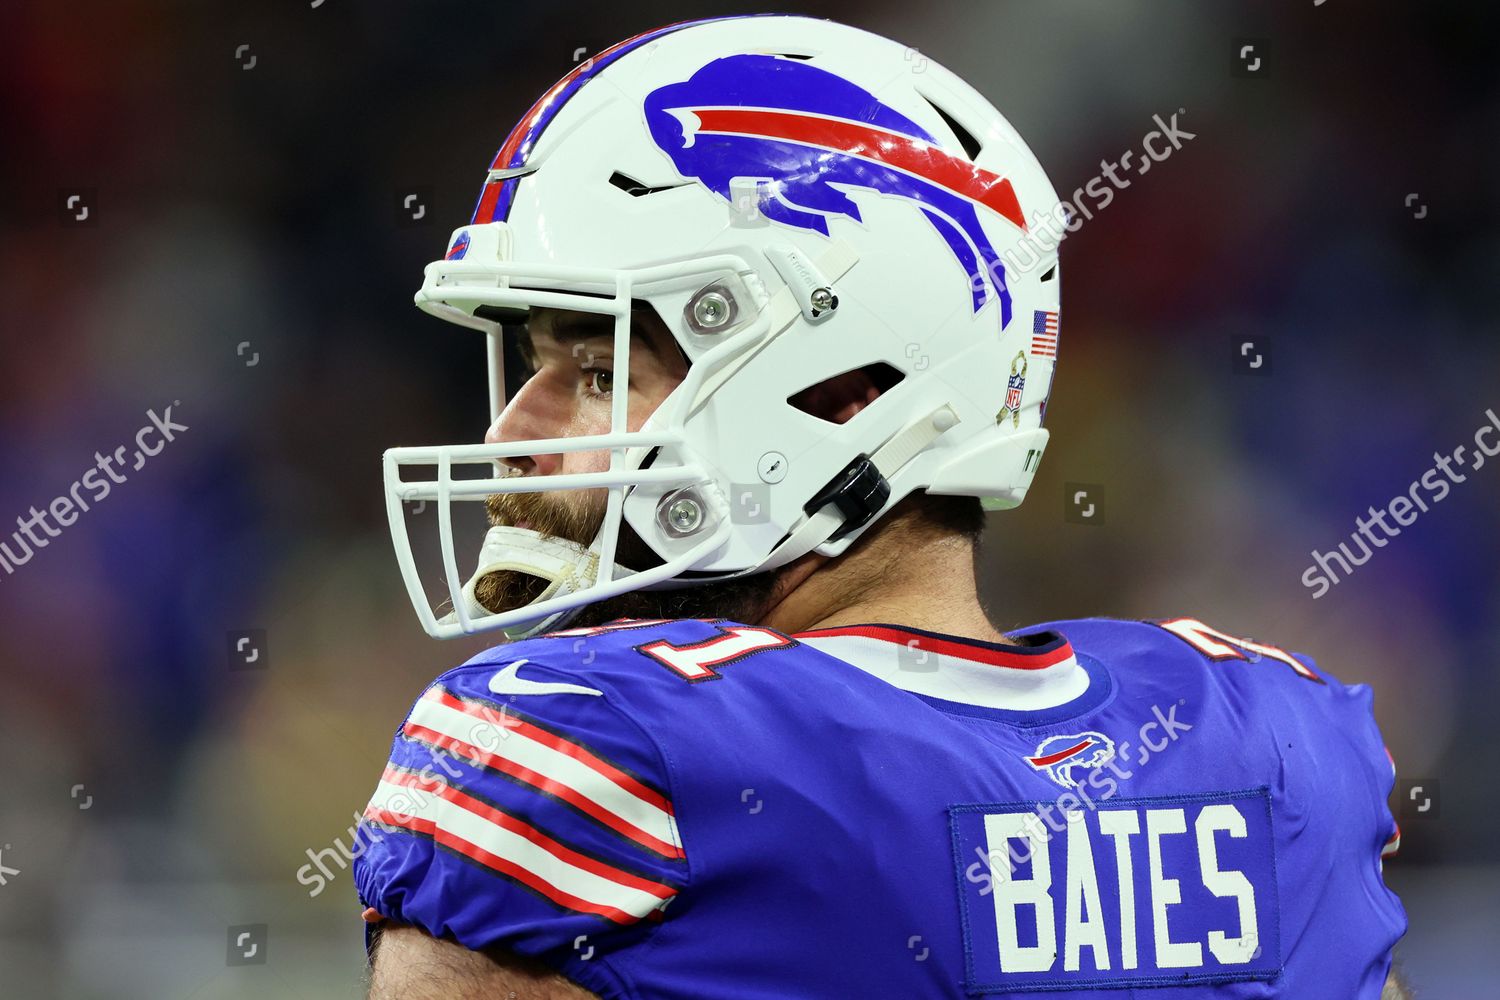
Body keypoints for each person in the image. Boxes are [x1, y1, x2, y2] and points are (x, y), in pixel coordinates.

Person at [354, 14, 1408, 998]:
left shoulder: (588, 742)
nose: (510, 439)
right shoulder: (1272, 744)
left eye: (597, 370)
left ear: (846, 394)